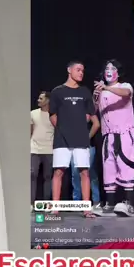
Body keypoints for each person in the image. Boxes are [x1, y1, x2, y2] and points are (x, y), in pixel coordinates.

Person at [49, 61, 100, 218]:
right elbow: (52, 116)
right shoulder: (57, 91)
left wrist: (81, 132)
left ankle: (86, 209)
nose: (81, 73)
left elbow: (91, 116)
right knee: (59, 172)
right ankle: (55, 208)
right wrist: (64, 130)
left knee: (84, 172)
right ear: (69, 70)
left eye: (82, 71)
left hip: (81, 140)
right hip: (62, 139)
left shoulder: (85, 92)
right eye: (78, 70)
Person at [94, 60, 134, 217]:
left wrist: (106, 88)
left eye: (113, 68)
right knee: (109, 168)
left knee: (126, 166)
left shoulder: (125, 86)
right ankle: (109, 204)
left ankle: (128, 204)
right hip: (108, 135)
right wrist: (95, 97)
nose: (109, 70)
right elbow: (93, 111)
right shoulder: (101, 91)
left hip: (125, 133)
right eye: (107, 68)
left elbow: (126, 93)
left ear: (118, 72)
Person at [70, 118, 101, 213]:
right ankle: (77, 202)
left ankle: (96, 202)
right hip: (74, 146)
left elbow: (96, 124)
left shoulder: (89, 111)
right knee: (75, 174)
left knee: (90, 173)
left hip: (88, 146)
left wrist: (87, 138)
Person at [30, 91, 54, 202]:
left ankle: (46, 202)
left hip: (49, 149)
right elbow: (30, 131)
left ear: (48, 100)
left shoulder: (54, 115)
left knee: (48, 177)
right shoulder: (33, 113)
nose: (38, 100)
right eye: (39, 98)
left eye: (41, 98)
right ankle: (30, 202)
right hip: (34, 149)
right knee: (32, 175)